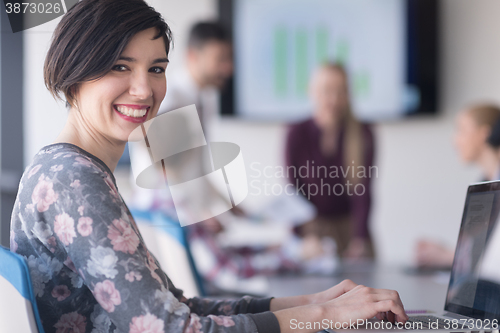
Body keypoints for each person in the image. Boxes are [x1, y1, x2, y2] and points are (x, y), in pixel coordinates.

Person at [10, 1, 408, 332]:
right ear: (73, 70)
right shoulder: (76, 180)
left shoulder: (73, 170)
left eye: (156, 68)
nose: (145, 89)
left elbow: (178, 306)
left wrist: (314, 302)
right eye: (119, 66)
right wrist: (323, 317)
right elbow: (173, 327)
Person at [285, 62, 375, 259]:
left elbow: (364, 191)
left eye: (340, 91)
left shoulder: (363, 133)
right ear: (312, 91)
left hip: (352, 232)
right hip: (312, 233)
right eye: (326, 91)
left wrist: (359, 239)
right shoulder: (296, 133)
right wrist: (303, 237)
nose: (333, 99)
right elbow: (294, 190)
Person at [415, 103, 500, 268]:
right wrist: (446, 253)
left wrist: (447, 256)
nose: (454, 140)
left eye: (461, 130)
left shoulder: (492, 188)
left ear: (483, 134)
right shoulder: (485, 183)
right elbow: (481, 250)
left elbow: (491, 259)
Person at [158, 21, 232, 134]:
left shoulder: (208, 96)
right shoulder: (168, 102)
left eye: (229, 58)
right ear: (193, 56)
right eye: (220, 59)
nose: (229, 68)